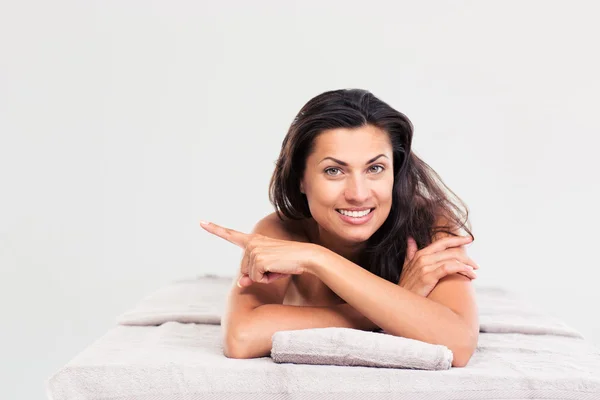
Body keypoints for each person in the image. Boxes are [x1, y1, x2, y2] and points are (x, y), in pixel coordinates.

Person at [200, 88, 479, 367]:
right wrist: (395, 305)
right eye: (334, 171)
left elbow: (459, 344)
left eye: (375, 169)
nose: (358, 194)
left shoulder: (428, 225)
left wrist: (317, 259)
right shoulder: (282, 231)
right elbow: (241, 337)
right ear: (301, 179)